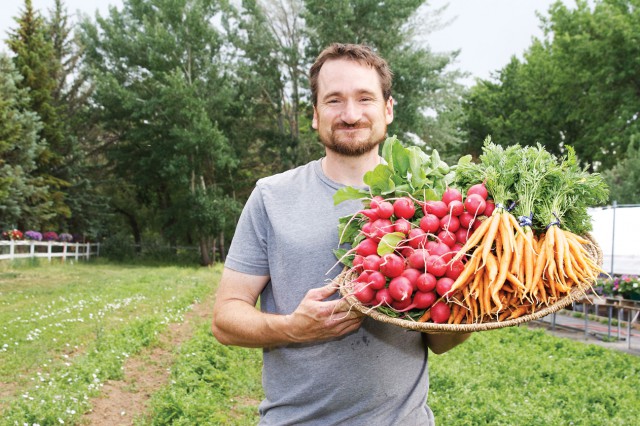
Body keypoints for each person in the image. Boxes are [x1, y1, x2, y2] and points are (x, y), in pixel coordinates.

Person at [212, 42, 470, 425]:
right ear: (315, 115)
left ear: (388, 109)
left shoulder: (431, 202)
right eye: (334, 100)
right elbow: (224, 319)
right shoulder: (272, 195)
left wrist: (468, 301)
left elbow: (441, 340)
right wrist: (293, 328)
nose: (350, 114)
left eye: (365, 98)